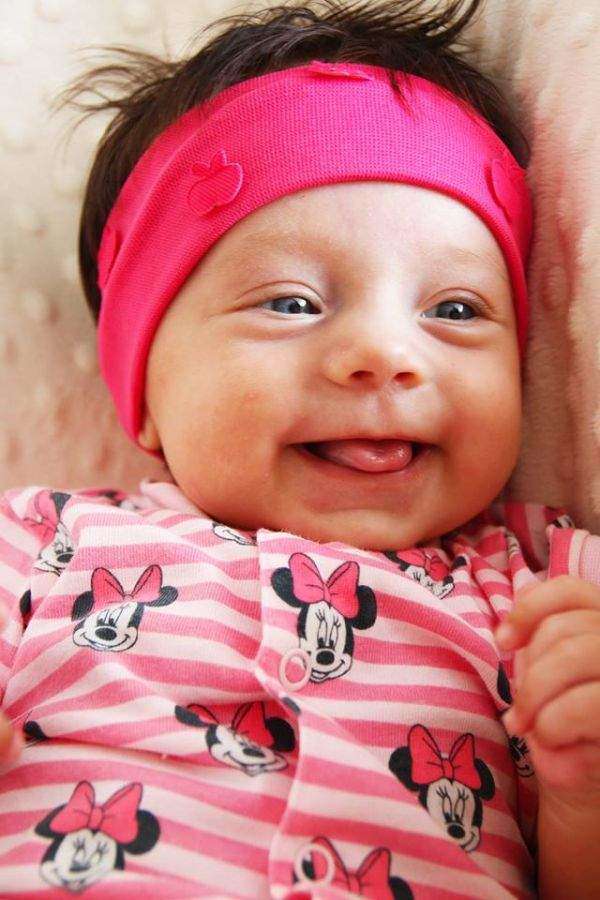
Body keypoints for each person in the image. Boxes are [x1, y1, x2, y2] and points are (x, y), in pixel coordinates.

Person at [0, 0, 599, 896]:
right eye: (292, 303)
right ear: (146, 391)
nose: (385, 355)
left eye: (455, 310)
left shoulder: (547, 593)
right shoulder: (39, 544)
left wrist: (584, 796)